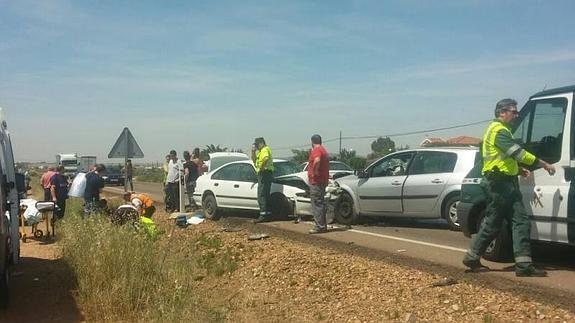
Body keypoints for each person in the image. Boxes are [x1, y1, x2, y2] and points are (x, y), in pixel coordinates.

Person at [462, 98, 556, 277]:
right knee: (515, 221)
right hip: (500, 184)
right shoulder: (499, 131)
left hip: (501, 182)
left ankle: (474, 258)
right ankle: (522, 266)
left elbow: (503, 158)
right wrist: (543, 163)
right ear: (502, 113)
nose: (516, 115)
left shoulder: (496, 130)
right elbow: (518, 153)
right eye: (513, 112)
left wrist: (519, 170)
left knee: (496, 223)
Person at [307, 134, 330, 234]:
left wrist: (314, 172)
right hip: (322, 181)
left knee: (316, 203)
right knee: (320, 203)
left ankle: (319, 226)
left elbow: (317, 160)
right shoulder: (323, 150)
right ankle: (322, 225)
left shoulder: (316, 150)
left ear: (312, 142)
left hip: (317, 181)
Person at [252, 137, 274, 223]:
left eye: (257, 145)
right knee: (265, 194)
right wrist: (253, 151)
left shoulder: (264, 149)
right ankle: (267, 214)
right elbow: (254, 160)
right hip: (266, 173)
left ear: (261, 143)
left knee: (261, 194)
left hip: (265, 173)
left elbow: (265, 158)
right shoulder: (260, 152)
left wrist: (261, 168)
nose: (257, 147)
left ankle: (263, 215)